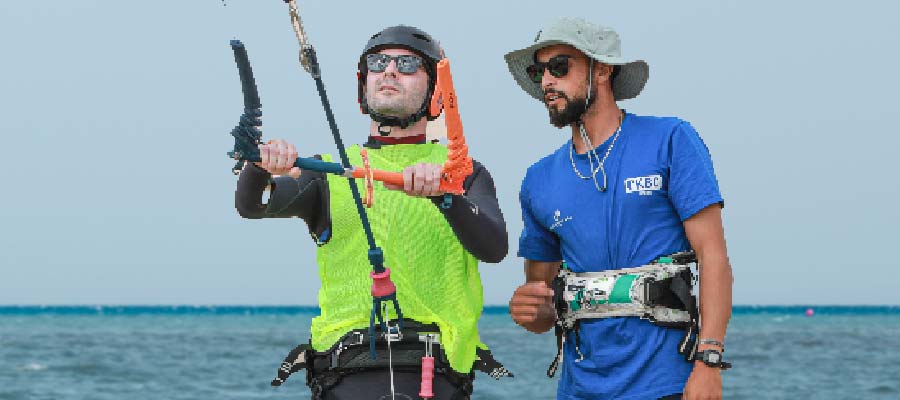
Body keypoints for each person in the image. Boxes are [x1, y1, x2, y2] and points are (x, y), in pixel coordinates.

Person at [234, 25, 510, 399]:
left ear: (435, 90)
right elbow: (252, 206)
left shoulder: (464, 172)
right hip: (345, 375)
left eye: (408, 64)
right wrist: (260, 168)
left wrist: (444, 197)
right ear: (364, 84)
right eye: (378, 63)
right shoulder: (325, 171)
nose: (390, 71)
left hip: (436, 375)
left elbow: (494, 248)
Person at [504, 17, 733, 399]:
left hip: (667, 381)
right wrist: (527, 310)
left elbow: (713, 256)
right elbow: (541, 300)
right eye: (538, 70)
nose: (546, 81)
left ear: (603, 69)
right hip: (579, 387)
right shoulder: (538, 180)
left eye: (559, 66)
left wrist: (709, 359)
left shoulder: (671, 140)